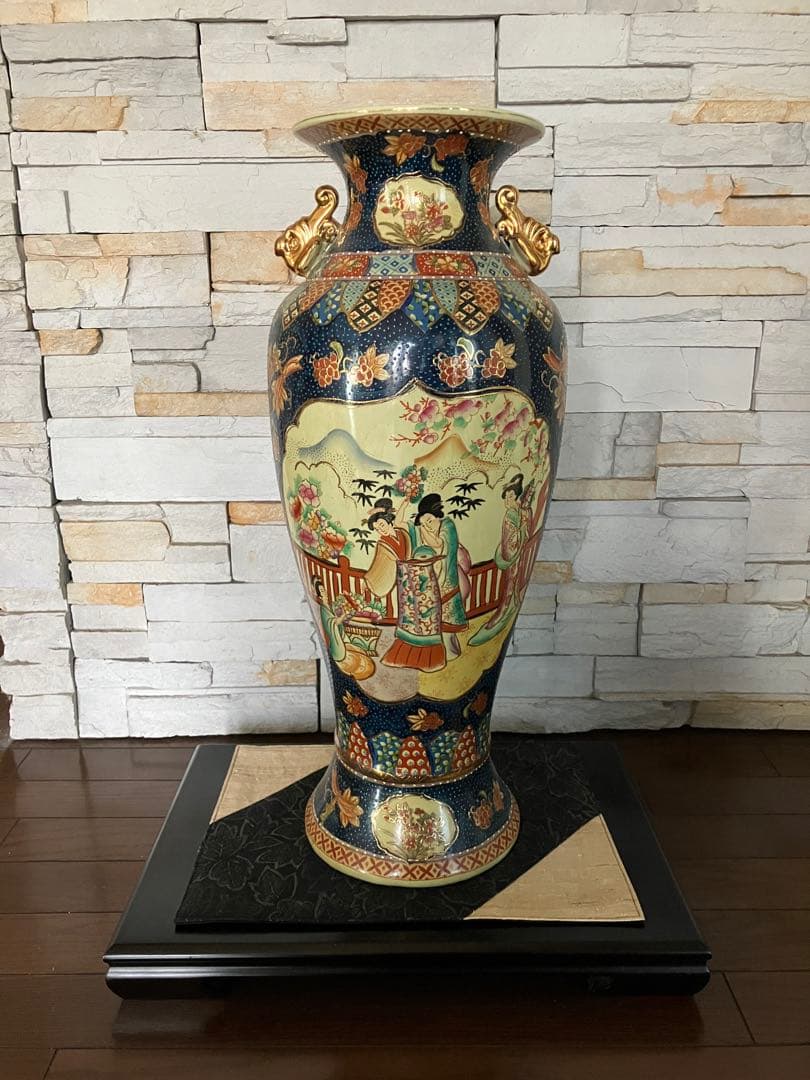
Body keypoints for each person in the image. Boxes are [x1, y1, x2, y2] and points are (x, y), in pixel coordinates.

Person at [364, 497, 446, 672]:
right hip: (406, 582)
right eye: (377, 528)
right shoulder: (383, 544)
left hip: (424, 576)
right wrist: (370, 581)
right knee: (410, 616)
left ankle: (431, 657)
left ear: (389, 521)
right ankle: (406, 653)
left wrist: (404, 504)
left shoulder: (404, 533)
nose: (380, 529)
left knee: (428, 613)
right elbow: (380, 566)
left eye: (381, 524)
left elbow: (404, 523)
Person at [408, 493, 471, 659]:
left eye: (430, 521)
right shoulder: (430, 529)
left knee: (447, 617)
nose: (428, 526)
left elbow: (439, 545)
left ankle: (450, 652)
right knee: (437, 618)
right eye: (424, 523)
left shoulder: (448, 527)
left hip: (448, 579)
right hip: (437, 580)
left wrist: (423, 528)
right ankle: (444, 651)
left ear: (438, 515)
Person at [469, 473, 529, 647]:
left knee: (511, 584)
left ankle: (506, 609)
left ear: (517, 496)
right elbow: (508, 540)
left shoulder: (517, 513)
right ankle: (505, 608)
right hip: (512, 556)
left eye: (510, 496)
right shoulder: (512, 515)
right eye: (506, 497)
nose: (507, 500)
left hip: (514, 557)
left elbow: (515, 538)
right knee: (509, 583)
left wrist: (521, 532)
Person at [312, 576, 373, 680]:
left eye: (324, 590)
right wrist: (343, 615)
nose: (325, 592)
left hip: (338, 635)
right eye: (322, 591)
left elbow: (336, 620)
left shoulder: (329, 606)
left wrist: (343, 613)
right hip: (335, 641)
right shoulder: (323, 609)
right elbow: (332, 623)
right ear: (320, 596)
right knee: (342, 656)